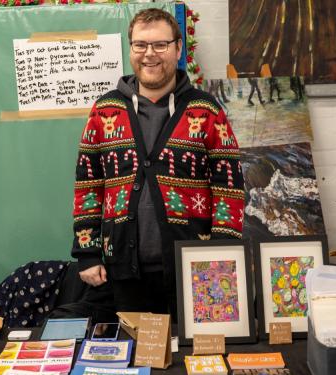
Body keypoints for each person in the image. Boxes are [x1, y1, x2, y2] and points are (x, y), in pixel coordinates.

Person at [71, 8, 244, 315]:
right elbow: (89, 185)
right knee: (134, 356)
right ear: (131, 49)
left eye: (160, 45)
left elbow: (228, 185)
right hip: (122, 270)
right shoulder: (105, 110)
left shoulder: (206, 111)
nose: (149, 54)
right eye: (140, 45)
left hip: (194, 268)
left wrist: (221, 253)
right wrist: (87, 252)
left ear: (178, 48)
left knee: (191, 359)